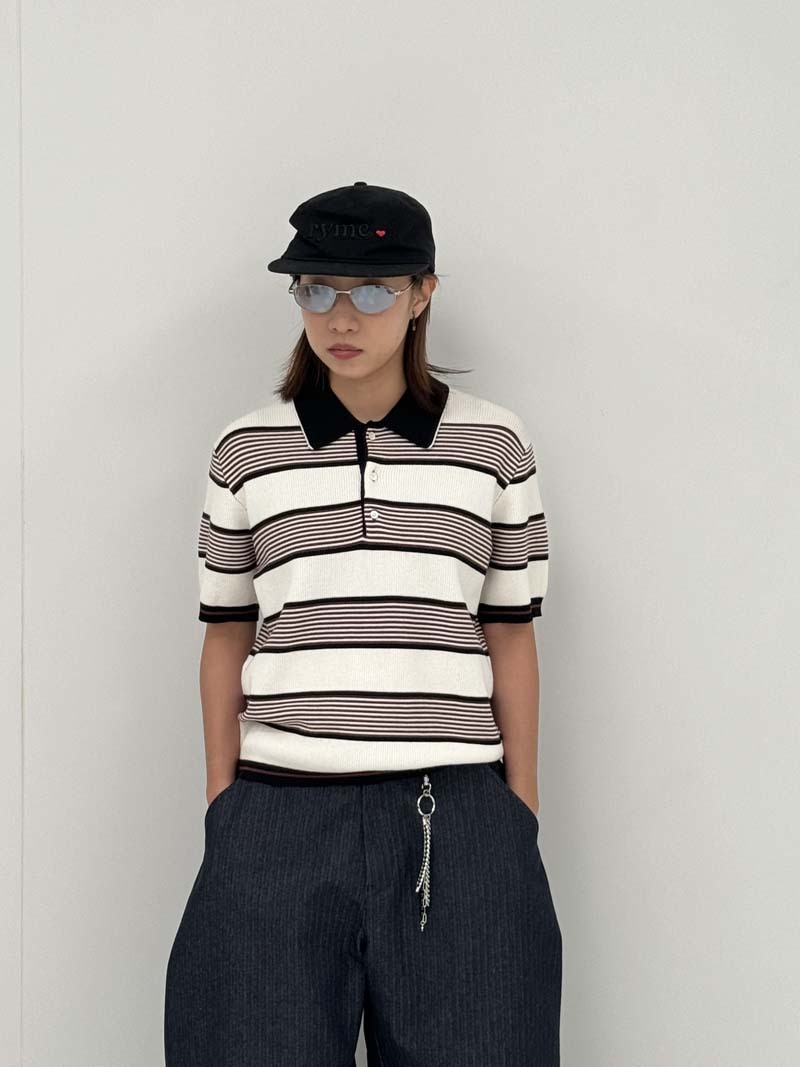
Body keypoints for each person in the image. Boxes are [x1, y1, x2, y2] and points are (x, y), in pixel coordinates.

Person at [164, 181, 562, 1065]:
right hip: (275, 813)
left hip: (456, 817)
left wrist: (518, 811)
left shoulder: (494, 444)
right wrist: (225, 804)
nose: (342, 317)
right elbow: (226, 633)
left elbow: (510, 630)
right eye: (317, 289)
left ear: (423, 293)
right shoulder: (246, 450)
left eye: (373, 291)